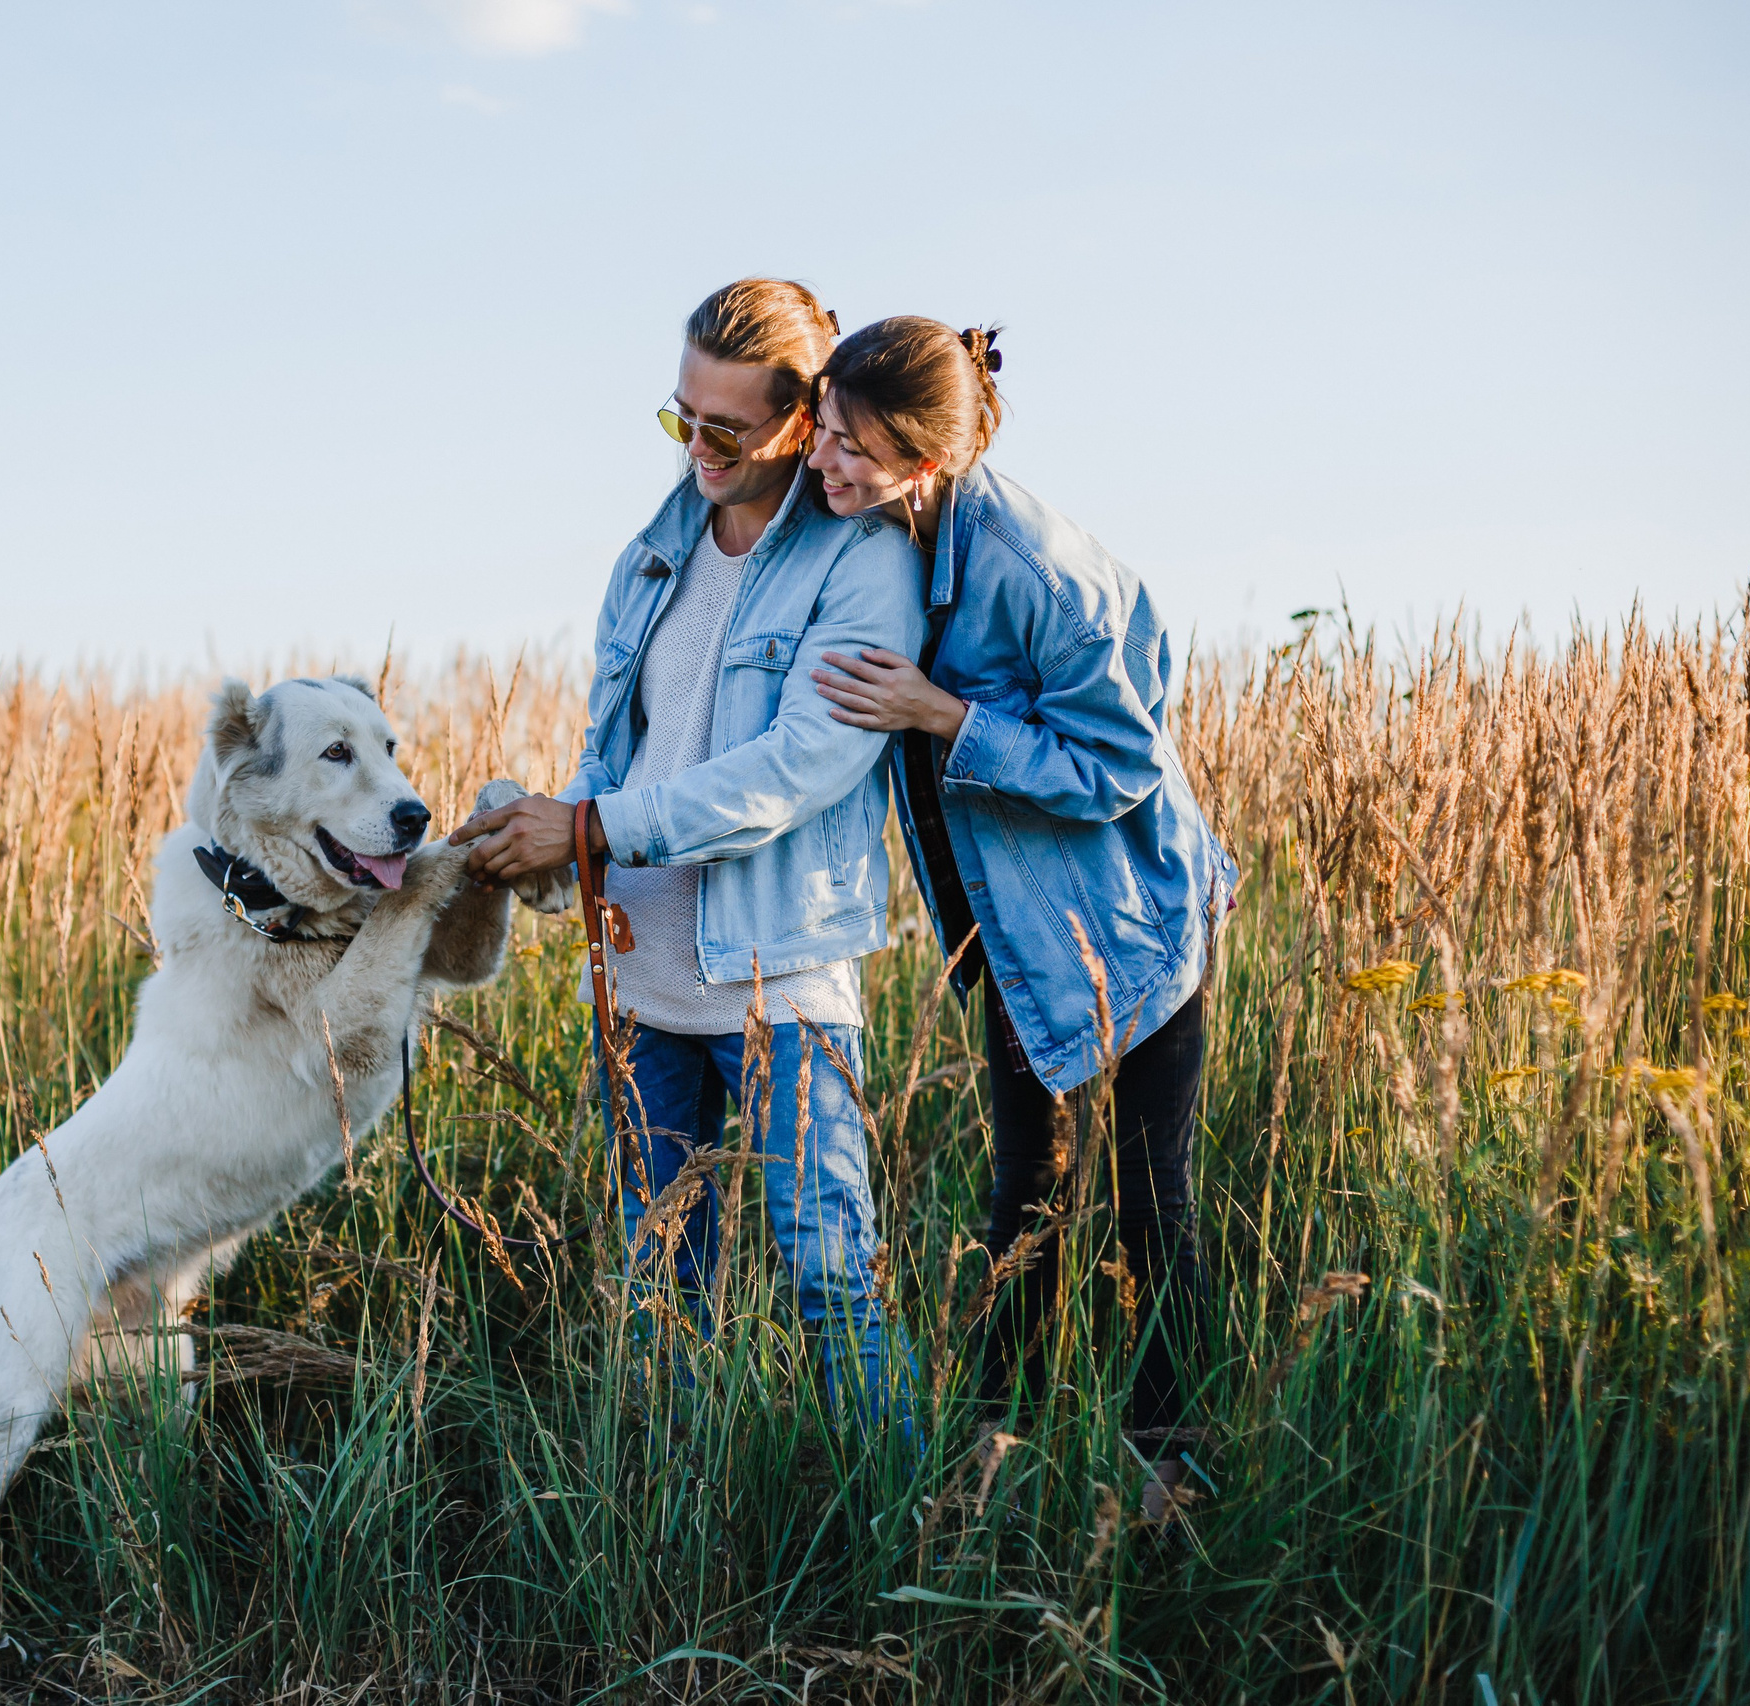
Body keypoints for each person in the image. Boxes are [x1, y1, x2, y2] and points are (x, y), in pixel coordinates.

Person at [451, 279, 926, 1420]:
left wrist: (593, 826)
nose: (697, 449)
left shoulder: (861, 566)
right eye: (681, 419)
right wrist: (549, 834)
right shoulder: (651, 555)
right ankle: (684, 1552)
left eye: (726, 427)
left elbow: (794, 773)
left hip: (780, 988)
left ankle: (913, 1557)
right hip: (635, 983)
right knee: (662, 1292)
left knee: (831, 1285)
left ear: (802, 423)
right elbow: (621, 755)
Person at [805, 317, 1237, 1516]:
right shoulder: (886, 530)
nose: (822, 462)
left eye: (848, 446)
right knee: (1028, 1184)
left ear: (922, 461)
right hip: (1010, 932)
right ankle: (991, 1459)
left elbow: (1120, 764)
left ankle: (1176, 1474)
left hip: (1130, 916)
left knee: (1152, 1193)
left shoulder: (1030, 567)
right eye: (823, 432)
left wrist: (943, 715)